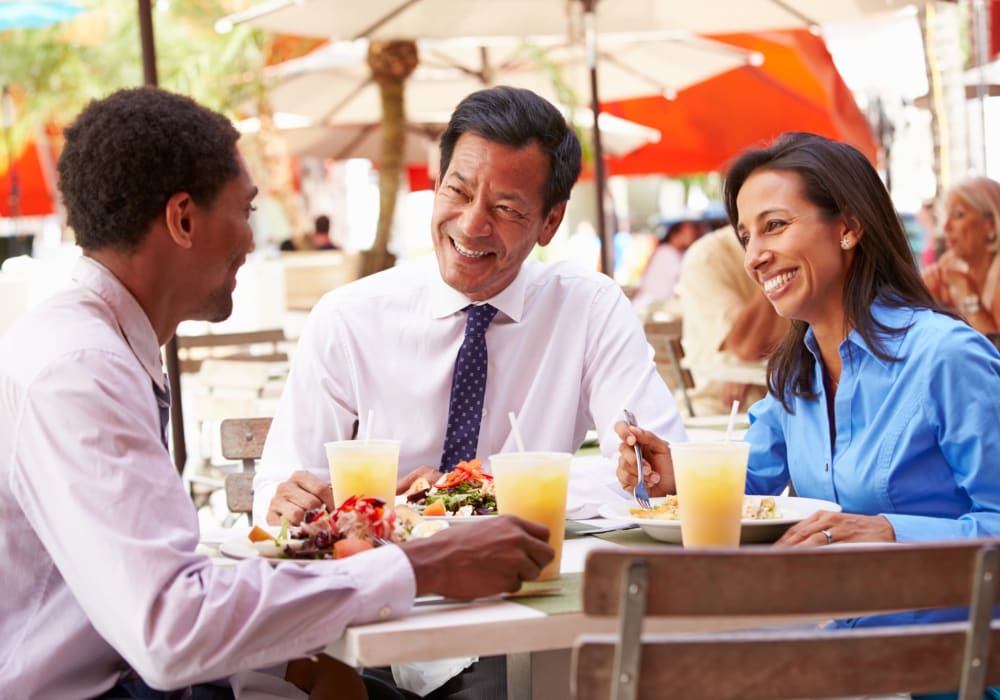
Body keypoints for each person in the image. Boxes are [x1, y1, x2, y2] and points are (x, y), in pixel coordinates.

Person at [0, 86, 555, 699]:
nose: (250, 242)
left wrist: (303, 660)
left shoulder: (94, 346)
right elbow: (170, 627)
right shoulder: (81, 370)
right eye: (246, 211)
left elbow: (153, 592)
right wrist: (426, 564)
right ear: (183, 220)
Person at [254, 86, 684, 697]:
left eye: (507, 207)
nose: (472, 223)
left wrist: (480, 492)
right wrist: (287, 500)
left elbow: (660, 466)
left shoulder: (587, 309)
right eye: (457, 190)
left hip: (508, 615)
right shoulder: (349, 318)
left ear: (550, 221)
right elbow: (274, 492)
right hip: (370, 607)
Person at [615, 132, 1000, 638]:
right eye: (747, 236)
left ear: (849, 227)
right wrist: (675, 478)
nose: (754, 256)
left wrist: (890, 531)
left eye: (774, 226)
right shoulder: (798, 373)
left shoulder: (947, 358)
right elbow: (751, 489)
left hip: (948, 667)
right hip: (832, 643)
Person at [673, 225, 788, 415]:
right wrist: (771, 271)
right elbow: (744, 347)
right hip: (718, 408)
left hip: (785, 404)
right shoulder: (707, 257)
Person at [922, 176, 1000, 335]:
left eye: (958, 215)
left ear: (991, 225)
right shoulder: (949, 263)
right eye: (946, 216)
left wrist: (968, 292)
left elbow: (993, 350)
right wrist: (929, 299)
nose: (946, 226)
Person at [631, 217, 703, 313]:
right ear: (676, 234)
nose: (692, 236)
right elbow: (687, 279)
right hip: (652, 306)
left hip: (654, 306)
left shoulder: (672, 252)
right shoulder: (666, 252)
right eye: (689, 233)